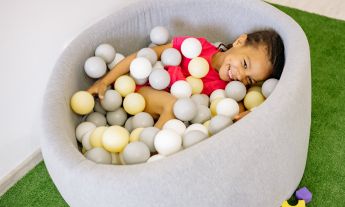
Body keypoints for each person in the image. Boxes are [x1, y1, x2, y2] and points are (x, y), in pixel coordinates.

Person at [87, 30, 285, 128]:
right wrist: (104, 81)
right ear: (240, 41)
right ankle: (152, 162)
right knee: (175, 105)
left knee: (179, 108)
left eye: (249, 80)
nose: (241, 76)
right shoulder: (196, 46)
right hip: (141, 92)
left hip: (167, 125)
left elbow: (234, 116)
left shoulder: (228, 93)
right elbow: (145, 56)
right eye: (244, 64)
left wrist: (251, 113)